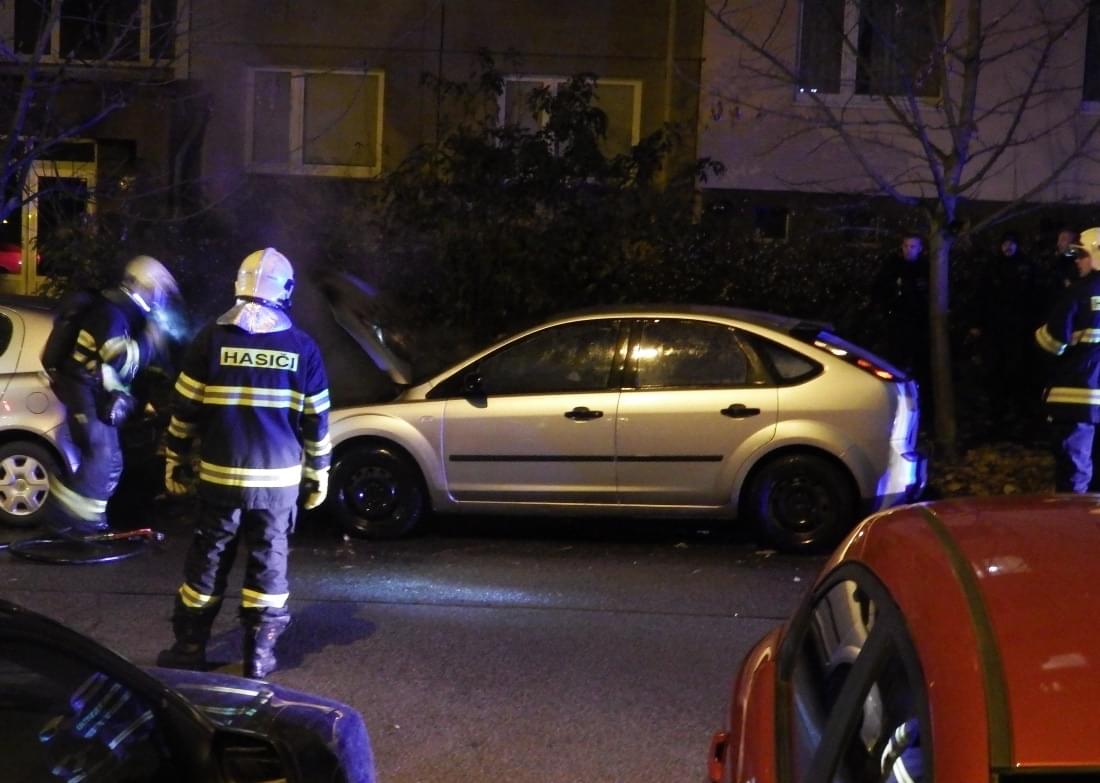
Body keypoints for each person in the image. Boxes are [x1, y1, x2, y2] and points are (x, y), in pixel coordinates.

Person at [157, 248, 331, 679]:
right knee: (269, 563)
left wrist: (175, 457)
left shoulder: (210, 339)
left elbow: (184, 411)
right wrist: (319, 471)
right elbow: (317, 420)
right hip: (277, 484)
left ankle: (189, 649)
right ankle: (258, 657)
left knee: (208, 561)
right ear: (285, 290)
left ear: (240, 283)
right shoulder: (302, 347)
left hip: (220, 476)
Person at [44, 256, 179, 538]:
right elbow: (119, 360)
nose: (161, 298)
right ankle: (74, 521)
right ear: (148, 286)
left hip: (89, 391)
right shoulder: (113, 312)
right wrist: (151, 339)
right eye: (160, 290)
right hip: (83, 391)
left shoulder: (124, 311)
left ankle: (85, 521)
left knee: (109, 460)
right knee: (102, 457)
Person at [1035, 228, 1100, 493]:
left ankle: (1074, 518)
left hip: (1077, 398)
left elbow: (1052, 342)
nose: (1077, 261)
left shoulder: (1078, 292)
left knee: (1074, 473)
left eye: (1082, 255)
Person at [976, 232, 1039, 433]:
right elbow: (981, 296)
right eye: (1005, 243)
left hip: (1019, 329)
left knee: (1017, 370)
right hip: (995, 329)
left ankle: (1017, 413)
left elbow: (1035, 296)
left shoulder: (1026, 266)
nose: (1007, 247)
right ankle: (997, 413)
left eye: (1011, 243)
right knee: (995, 371)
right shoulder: (992, 267)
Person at [872, 232, 930, 387]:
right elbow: (880, 289)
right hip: (897, 320)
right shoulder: (892, 267)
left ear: (920, 248)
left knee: (918, 358)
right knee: (896, 356)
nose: (908, 250)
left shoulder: (926, 268)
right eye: (906, 246)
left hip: (919, 322)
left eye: (912, 246)